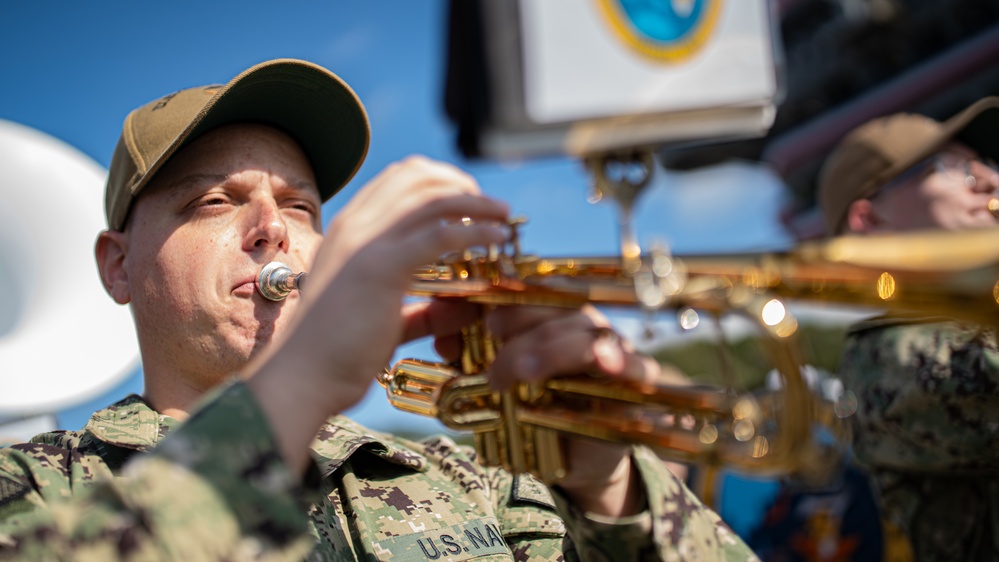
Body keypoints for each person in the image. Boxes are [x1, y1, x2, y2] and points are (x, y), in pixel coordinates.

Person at [0, 58, 756, 560]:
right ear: (118, 265)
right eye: (214, 201)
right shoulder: (32, 483)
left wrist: (608, 488)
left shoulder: (472, 476)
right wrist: (298, 386)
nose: (272, 228)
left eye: (299, 206)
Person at [816, 96, 999, 561]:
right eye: (954, 167)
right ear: (870, 219)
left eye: (985, 164)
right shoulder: (882, 358)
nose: (991, 181)